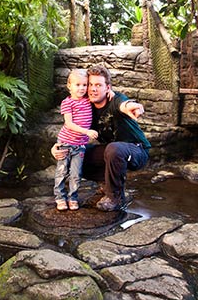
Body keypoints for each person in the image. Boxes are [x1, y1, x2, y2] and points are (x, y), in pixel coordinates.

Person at [51, 65, 150, 212]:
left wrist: (133, 106)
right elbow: (69, 128)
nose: (93, 89)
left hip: (136, 150)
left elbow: (123, 104)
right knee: (76, 153)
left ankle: (115, 197)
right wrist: (56, 147)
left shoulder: (115, 99)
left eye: (98, 85)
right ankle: (106, 184)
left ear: (107, 88)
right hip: (112, 152)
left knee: (114, 149)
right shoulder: (86, 106)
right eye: (90, 84)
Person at [53, 69, 98, 211]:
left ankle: (73, 198)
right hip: (66, 143)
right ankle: (60, 198)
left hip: (80, 146)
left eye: (84, 85)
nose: (81, 88)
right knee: (62, 172)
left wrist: (111, 92)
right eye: (77, 85)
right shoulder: (67, 103)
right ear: (69, 86)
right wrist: (86, 131)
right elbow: (69, 124)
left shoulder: (88, 100)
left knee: (76, 174)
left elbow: (101, 95)